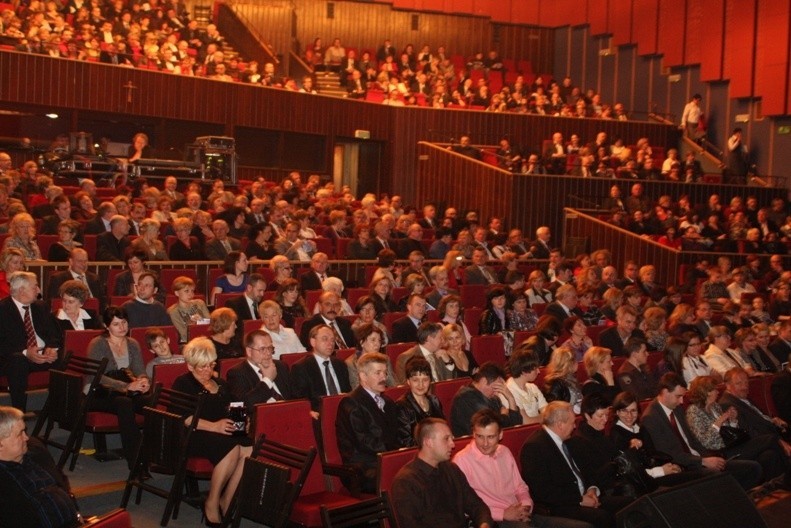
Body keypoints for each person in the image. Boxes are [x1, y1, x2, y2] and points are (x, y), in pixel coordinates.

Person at [454, 409, 592, 528]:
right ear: (473, 434)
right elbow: (463, 505)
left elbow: (520, 487)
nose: (484, 443)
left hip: (522, 513)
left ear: (500, 435)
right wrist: (503, 514)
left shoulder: (504, 452)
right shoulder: (462, 460)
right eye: (479, 437)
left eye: (490, 437)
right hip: (495, 520)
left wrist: (526, 506)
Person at [172, 337, 253, 526]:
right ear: (190, 366)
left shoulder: (221, 384)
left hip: (219, 433)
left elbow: (235, 407)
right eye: (202, 367)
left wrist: (242, 424)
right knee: (232, 447)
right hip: (194, 434)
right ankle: (212, 501)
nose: (208, 371)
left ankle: (227, 500)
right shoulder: (183, 383)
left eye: (211, 365)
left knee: (249, 448)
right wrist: (215, 426)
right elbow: (184, 418)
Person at [640, 373, 762, 490]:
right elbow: (670, 454)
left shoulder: (676, 408)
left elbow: (693, 440)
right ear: (665, 392)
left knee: (753, 468)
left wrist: (709, 457)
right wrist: (703, 461)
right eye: (678, 396)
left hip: (698, 459)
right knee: (720, 476)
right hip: (683, 467)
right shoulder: (651, 418)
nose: (682, 401)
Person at [520, 401, 622, 528]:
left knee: (626, 504)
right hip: (561, 505)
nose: (575, 426)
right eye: (572, 422)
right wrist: (579, 500)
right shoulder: (535, 447)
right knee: (602, 517)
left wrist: (592, 489)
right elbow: (542, 491)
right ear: (560, 425)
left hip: (584, 496)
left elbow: (585, 470)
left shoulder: (569, 441)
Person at [390, 418, 494, 528]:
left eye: (452, 438)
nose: (452, 444)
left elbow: (476, 505)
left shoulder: (451, 469)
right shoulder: (406, 482)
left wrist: (484, 524)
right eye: (446, 439)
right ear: (428, 442)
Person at [686, 375, 788, 485]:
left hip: (734, 445)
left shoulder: (715, 406)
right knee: (771, 439)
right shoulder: (694, 411)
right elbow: (707, 441)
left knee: (769, 455)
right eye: (714, 389)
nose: (717, 392)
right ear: (707, 392)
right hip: (722, 452)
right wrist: (720, 421)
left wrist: (733, 421)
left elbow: (730, 433)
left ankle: (776, 487)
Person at [86, 306, 151, 468]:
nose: (122, 327)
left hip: (125, 391)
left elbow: (139, 370)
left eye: (124, 322)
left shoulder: (132, 343)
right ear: (107, 326)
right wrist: (127, 385)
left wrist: (143, 381)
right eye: (116, 324)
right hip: (99, 392)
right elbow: (97, 377)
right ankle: (136, 461)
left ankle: (157, 453)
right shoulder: (98, 343)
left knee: (151, 402)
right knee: (124, 403)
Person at [0, 406, 82, 528]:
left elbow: (61, 482)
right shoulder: (4, 482)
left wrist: (76, 512)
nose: (26, 437)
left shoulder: (36, 452)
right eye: (20, 434)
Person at [336, 352, 400, 493]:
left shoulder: (388, 402)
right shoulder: (351, 402)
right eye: (378, 373)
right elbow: (364, 442)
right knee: (406, 478)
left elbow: (396, 434)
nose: (384, 377)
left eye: (385, 372)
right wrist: (395, 453)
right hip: (362, 468)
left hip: (386, 459)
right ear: (363, 376)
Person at [610, 392, 702, 490]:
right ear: (617, 412)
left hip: (656, 473)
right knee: (694, 481)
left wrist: (671, 465)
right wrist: (661, 471)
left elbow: (653, 454)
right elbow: (630, 470)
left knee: (697, 477)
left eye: (633, 411)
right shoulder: (616, 434)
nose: (629, 415)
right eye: (624, 410)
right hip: (643, 483)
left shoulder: (640, 429)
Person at [0, 271, 61, 411]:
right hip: (13, 359)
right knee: (18, 360)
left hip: (43, 356)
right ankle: (19, 414)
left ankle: (61, 411)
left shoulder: (41, 307)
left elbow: (55, 334)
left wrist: (52, 348)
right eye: (35, 287)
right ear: (22, 290)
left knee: (66, 356)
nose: (39, 290)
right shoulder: (3, 309)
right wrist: (26, 352)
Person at [719, 367, 791, 455]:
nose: (744, 386)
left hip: (773, 431)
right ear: (728, 385)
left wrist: (772, 420)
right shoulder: (727, 404)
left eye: (746, 382)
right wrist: (777, 440)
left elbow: (758, 418)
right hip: (763, 440)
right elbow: (748, 430)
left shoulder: (742, 397)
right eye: (739, 383)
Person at [226, 330, 293, 413]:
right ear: (249, 351)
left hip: (288, 414)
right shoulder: (237, 373)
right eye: (262, 349)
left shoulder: (280, 366)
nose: (268, 353)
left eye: (270, 348)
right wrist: (267, 380)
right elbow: (241, 409)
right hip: (262, 420)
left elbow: (294, 397)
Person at [291, 324, 352, 415]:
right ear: (313, 342)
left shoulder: (340, 364)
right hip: (319, 413)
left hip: (343, 411)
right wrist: (309, 411)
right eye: (325, 339)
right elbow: (299, 400)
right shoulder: (302, 367)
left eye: (332, 340)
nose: (330, 343)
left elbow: (348, 391)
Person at [450, 362, 522, 437]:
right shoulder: (465, 398)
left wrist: (511, 398)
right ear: (484, 381)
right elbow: (489, 426)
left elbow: (515, 426)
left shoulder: (493, 398)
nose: (497, 393)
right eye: (496, 387)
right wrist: (504, 415)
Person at [396, 357, 445, 447]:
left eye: (425, 380)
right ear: (408, 381)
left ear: (430, 381)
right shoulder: (402, 406)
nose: (421, 385)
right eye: (415, 380)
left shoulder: (434, 401)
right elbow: (406, 442)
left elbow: (443, 429)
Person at [345, 323, 396, 389]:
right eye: (373, 340)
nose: (377, 344)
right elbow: (356, 388)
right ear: (362, 342)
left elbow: (393, 384)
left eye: (379, 340)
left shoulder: (384, 359)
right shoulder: (351, 363)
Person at [506, 348, 547, 425]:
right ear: (524, 372)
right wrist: (543, 418)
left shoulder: (532, 387)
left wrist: (543, 417)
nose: (538, 371)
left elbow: (547, 411)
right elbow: (525, 422)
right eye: (535, 369)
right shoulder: (509, 391)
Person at [167, 276, 210, 343]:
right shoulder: (173, 312)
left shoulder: (200, 303)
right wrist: (192, 324)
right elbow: (184, 335)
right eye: (186, 291)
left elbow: (210, 324)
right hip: (188, 343)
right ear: (177, 293)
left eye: (192, 291)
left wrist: (200, 320)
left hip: (206, 339)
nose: (191, 294)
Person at [543, 347, 583, 414]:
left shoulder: (571, 379)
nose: (577, 362)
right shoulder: (554, 384)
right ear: (569, 363)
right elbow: (556, 411)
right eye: (575, 360)